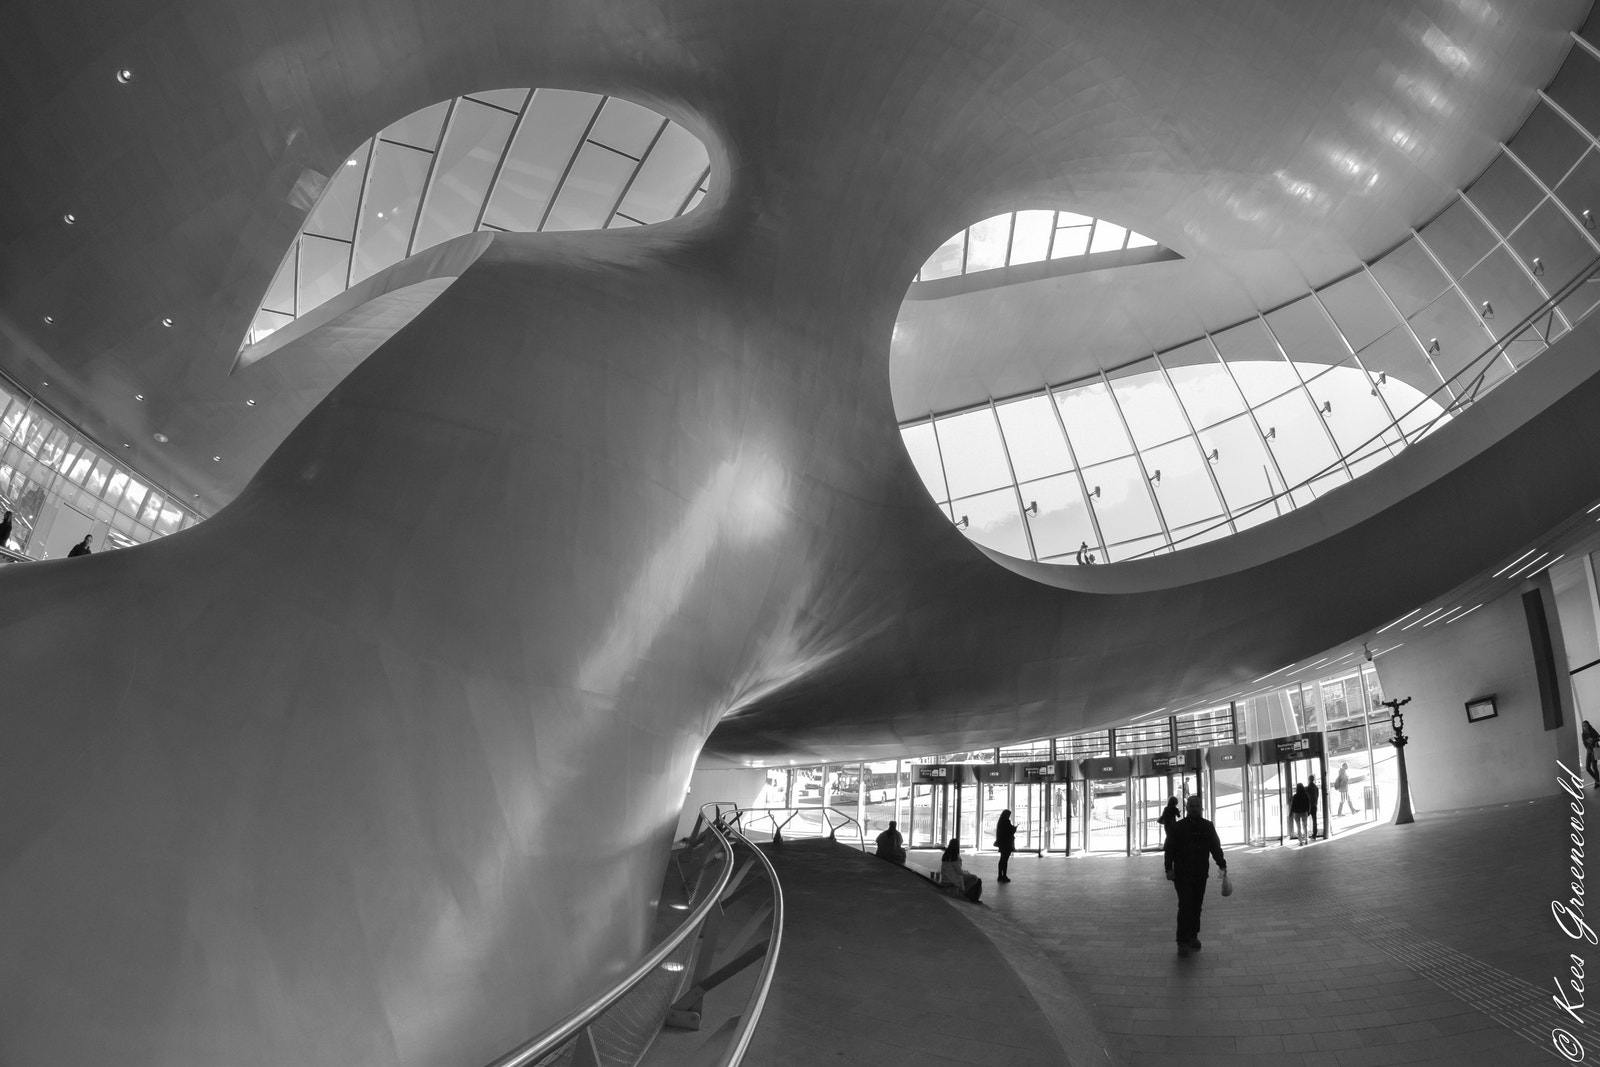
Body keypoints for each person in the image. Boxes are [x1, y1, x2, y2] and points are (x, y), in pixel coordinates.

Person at [1163, 794, 1227, 956]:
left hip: (1200, 874)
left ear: (1201, 808)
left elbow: (1215, 846)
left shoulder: (1208, 826)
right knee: (1185, 905)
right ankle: (1182, 940)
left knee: (1196, 907)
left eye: (1197, 806)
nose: (1194, 809)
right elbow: (1169, 848)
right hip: (1182, 875)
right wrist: (1168, 868)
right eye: (1191, 806)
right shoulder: (1178, 827)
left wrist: (1222, 864)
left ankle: (1193, 936)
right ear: (1186, 808)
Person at [994, 809, 1016, 882]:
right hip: (1007, 844)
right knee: (1005, 860)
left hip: (1002, 844)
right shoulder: (1006, 822)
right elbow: (1009, 831)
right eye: (1009, 815)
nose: (1009, 816)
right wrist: (1014, 829)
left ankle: (1000, 875)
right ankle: (1004, 875)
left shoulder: (1000, 822)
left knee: (1002, 859)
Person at [1584, 721, 1600, 788]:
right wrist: (1588, 749)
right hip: (1589, 751)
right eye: (1583, 726)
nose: (1585, 727)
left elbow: (1599, 737)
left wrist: (1593, 740)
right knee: (1587, 768)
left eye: (1586, 725)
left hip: (1596, 749)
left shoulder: (1592, 731)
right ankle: (1598, 780)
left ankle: (1597, 782)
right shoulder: (1583, 734)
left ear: (1588, 725)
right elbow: (1584, 743)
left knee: (1594, 766)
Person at [1305, 772, 1320, 840]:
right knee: (1314, 820)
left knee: (1305, 820)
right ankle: (1314, 834)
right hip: (1314, 805)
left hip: (1308, 806)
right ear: (1313, 779)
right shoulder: (1316, 787)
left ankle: (1306, 835)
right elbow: (1317, 796)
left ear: (1308, 779)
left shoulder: (1307, 788)